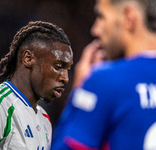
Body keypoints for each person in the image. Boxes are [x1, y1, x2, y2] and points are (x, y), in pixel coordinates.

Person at [51, 0, 156, 149]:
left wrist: (79, 93)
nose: (95, 30)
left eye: (101, 16)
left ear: (129, 17)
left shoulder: (107, 81)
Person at [0, 21, 73, 150]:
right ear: (28, 59)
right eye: (58, 67)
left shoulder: (44, 119)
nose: (65, 78)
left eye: (67, 69)